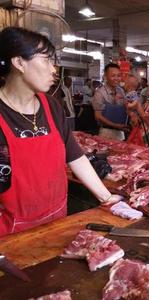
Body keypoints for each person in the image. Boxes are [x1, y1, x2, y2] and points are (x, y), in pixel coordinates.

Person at [0, 27, 121, 236]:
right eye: (46, 60)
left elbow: (75, 156)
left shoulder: (52, 106)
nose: (54, 69)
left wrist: (106, 198)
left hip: (57, 221)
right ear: (19, 62)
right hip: (12, 232)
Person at [92, 63, 129, 141]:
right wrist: (115, 125)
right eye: (113, 76)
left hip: (120, 132)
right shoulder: (100, 93)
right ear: (105, 77)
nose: (116, 78)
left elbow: (125, 108)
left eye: (118, 75)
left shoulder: (121, 91)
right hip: (106, 132)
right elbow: (98, 116)